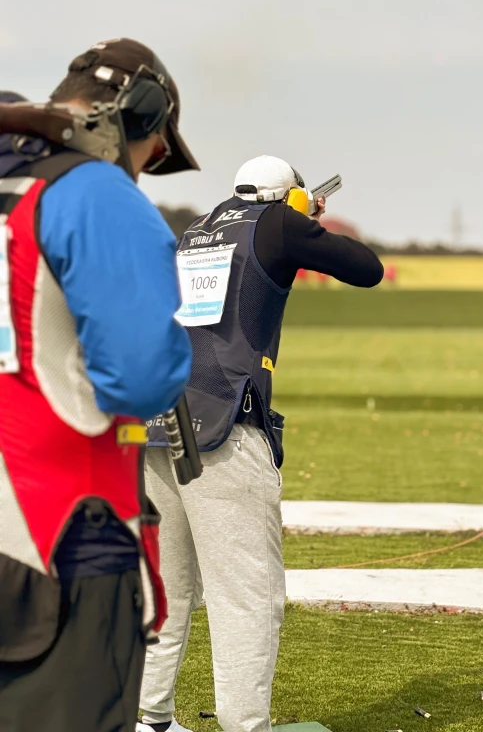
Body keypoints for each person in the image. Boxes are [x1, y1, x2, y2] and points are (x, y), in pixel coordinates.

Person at [139, 155, 384, 732]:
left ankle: (149, 719)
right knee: (248, 594)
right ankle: (246, 726)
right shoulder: (276, 222)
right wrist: (303, 220)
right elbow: (365, 268)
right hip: (224, 431)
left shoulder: (195, 230)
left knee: (166, 590)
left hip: (158, 424)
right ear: (286, 197)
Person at [0, 37, 199, 732]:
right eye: (154, 152)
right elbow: (143, 376)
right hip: (63, 544)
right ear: (139, 113)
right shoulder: (91, 189)